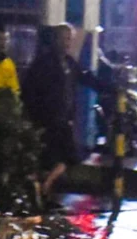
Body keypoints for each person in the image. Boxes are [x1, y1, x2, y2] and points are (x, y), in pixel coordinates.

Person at [21, 23, 102, 202]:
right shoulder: (44, 63)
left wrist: (111, 88)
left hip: (63, 119)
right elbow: (30, 92)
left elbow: (86, 78)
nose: (67, 43)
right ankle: (43, 189)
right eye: (64, 39)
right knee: (54, 156)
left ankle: (45, 186)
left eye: (69, 40)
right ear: (55, 40)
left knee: (68, 156)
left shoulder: (69, 63)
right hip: (47, 119)